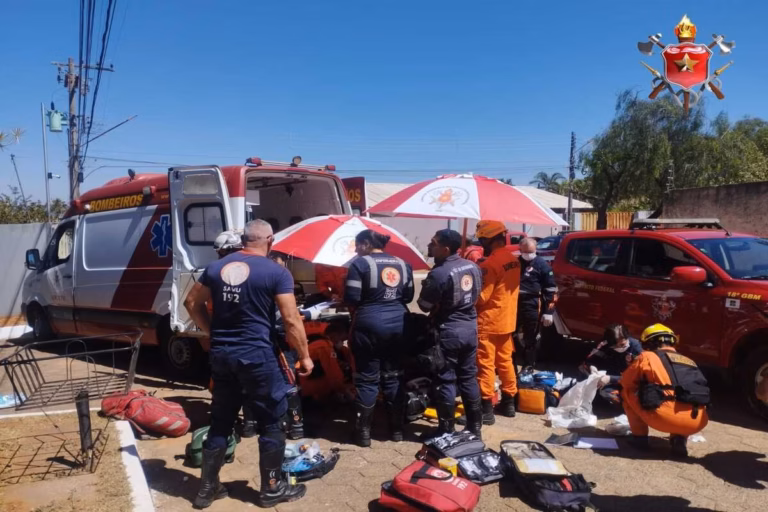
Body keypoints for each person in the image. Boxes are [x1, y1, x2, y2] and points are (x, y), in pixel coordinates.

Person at [184, 219, 312, 509]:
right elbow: (291, 320)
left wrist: (212, 332)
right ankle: (271, 489)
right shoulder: (276, 272)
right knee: (271, 422)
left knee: (220, 422)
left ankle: (207, 489)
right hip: (258, 356)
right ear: (270, 240)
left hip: (223, 355)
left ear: (243, 239)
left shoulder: (217, 268)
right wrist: (304, 356)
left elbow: (191, 303)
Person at [344, 229, 414, 447]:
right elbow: (409, 295)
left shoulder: (360, 264)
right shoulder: (403, 264)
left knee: (367, 378)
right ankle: (397, 431)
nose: (355, 250)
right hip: (399, 324)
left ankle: (363, 434)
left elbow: (352, 298)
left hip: (368, 325)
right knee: (393, 376)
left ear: (365, 244)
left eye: (357, 245)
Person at [417, 229, 484, 438]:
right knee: (468, 378)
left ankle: (446, 430)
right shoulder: (473, 267)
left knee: (445, 379)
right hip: (470, 328)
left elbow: (424, 305)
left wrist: (427, 287)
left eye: (433, 243)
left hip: (448, 332)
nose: (429, 246)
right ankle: (475, 428)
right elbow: (477, 295)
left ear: (445, 249)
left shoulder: (439, 273)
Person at [620, 324, 710, 458]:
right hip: (697, 422)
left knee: (625, 392)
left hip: (663, 419)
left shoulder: (647, 356)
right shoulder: (690, 361)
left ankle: (640, 440)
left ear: (648, 342)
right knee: (681, 397)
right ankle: (679, 439)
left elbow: (626, 382)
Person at [474, 220, 521, 424]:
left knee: (485, 364)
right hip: (507, 319)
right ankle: (509, 402)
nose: (481, 243)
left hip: (488, 321)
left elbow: (483, 297)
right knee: (505, 361)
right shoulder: (514, 259)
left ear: (490, 239)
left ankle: (485, 408)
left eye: (482, 239)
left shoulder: (489, 264)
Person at [516, 237, 558, 371]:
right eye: (525, 252)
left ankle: (529, 364)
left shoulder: (542, 265)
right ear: (520, 250)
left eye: (531, 251)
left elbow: (552, 290)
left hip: (532, 304)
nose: (528, 254)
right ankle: (511, 362)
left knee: (531, 336)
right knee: (510, 334)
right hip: (514, 304)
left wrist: (549, 312)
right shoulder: (515, 263)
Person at [581, 323, 642, 406]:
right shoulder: (604, 345)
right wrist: (592, 367)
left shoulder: (636, 348)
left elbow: (639, 377)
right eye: (616, 344)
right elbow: (590, 360)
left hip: (629, 381)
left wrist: (611, 379)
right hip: (610, 377)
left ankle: (629, 403)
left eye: (623, 341)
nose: (621, 345)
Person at [299, 319, 356, 403]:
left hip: (302, 385)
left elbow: (345, 353)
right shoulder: (324, 347)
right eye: (342, 339)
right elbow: (334, 375)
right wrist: (347, 393)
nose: (341, 342)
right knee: (344, 381)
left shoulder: (317, 340)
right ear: (335, 335)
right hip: (309, 389)